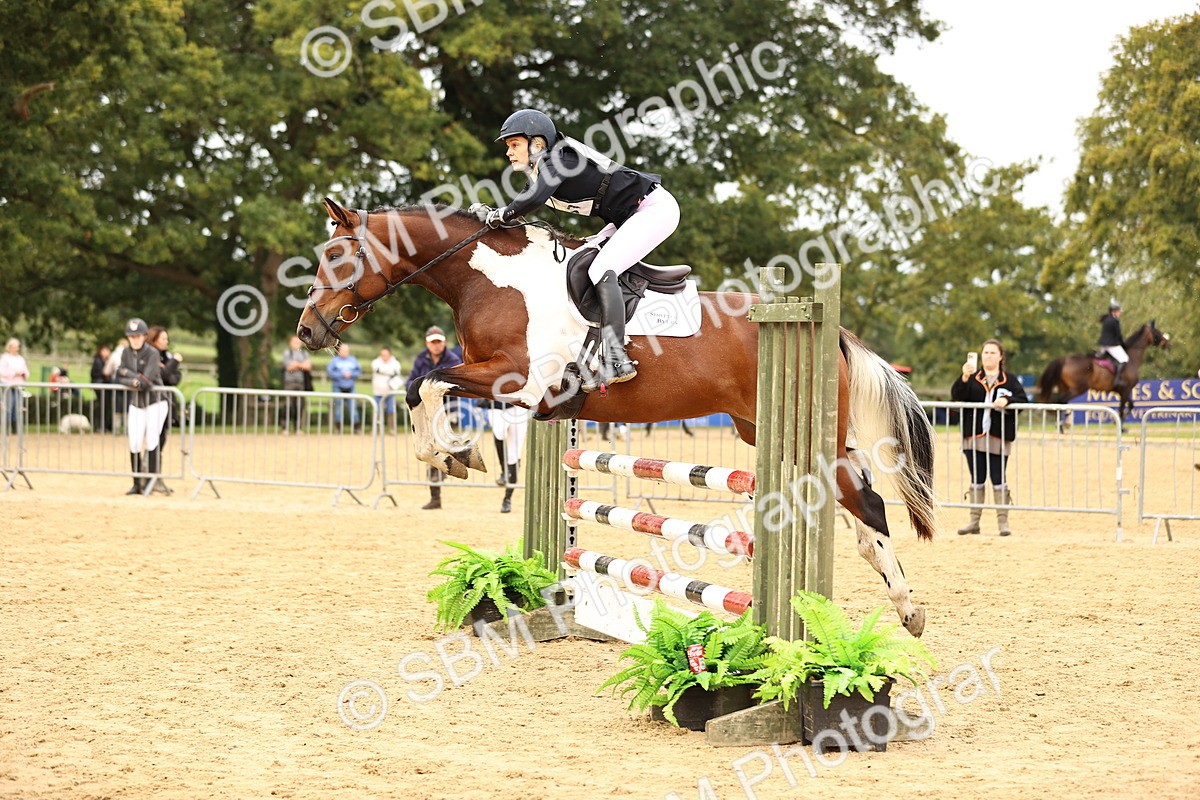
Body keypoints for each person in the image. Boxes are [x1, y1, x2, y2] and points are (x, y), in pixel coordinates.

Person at [486, 109, 680, 389]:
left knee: (601, 268)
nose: (509, 152)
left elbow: (533, 200)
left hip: (654, 209)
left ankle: (617, 358)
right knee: (577, 258)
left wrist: (501, 215)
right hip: (628, 217)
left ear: (538, 144)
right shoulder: (542, 169)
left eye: (514, 144)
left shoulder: (558, 159)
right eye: (508, 146)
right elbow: (523, 202)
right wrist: (494, 215)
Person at [950, 339, 1029, 536]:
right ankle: (974, 521)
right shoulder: (972, 377)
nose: (988, 356)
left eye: (993, 353)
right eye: (985, 352)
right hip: (974, 435)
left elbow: (1022, 399)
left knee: (998, 477)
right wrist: (964, 377)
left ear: (1001, 357)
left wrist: (1007, 400)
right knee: (977, 477)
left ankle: (1003, 522)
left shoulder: (1009, 380)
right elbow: (957, 395)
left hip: (998, 436)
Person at [406, 325, 464, 510]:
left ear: (444, 342)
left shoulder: (453, 360)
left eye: (439, 341)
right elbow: (410, 380)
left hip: (446, 411)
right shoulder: (421, 358)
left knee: (440, 448)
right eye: (433, 342)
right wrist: (418, 389)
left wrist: (430, 387)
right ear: (427, 344)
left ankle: (445, 470)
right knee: (429, 451)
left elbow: (457, 384)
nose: (436, 345)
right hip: (425, 411)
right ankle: (435, 496)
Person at [113, 319, 166, 495]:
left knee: (152, 440)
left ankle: (150, 481)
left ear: (144, 336)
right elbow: (119, 374)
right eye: (131, 337)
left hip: (155, 402)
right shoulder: (126, 352)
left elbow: (147, 381)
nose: (134, 340)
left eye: (137, 336)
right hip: (136, 402)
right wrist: (134, 380)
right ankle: (136, 483)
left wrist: (130, 376)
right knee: (134, 442)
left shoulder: (152, 353)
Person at [147, 326, 183, 494]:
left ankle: (155, 477)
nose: (166, 342)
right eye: (163, 339)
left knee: (161, 440)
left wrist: (169, 368)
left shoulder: (166, 357)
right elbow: (162, 376)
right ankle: (148, 477)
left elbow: (175, 378)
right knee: (153, 441)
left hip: (166, 403)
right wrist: (174, 362)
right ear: (154, 340)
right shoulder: (150, 356)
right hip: (152, 403)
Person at [485, 399, 530, 513]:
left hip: (519, 406)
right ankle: (505, 471)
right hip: (496, 405)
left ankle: (507, 498)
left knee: (514, 454)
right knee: (499, 432)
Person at [326, 343, 363, 432]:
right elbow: (330, 372)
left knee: (353, 408)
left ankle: (356, 428)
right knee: (338, 408)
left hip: (350, 386)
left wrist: (351, 374)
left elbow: (359, 371)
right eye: (342, 351)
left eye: (346, 351)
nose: (344, 352)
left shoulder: (353, 360)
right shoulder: (335, 361)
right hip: (338, 387)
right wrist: (342, 374)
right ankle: (338, 428)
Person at [281, 335, 313, 433]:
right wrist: (301, 365)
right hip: (289, 382)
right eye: (294, 342)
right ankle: (285, 427)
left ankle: (298, 427)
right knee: (288, 405)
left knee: (300, 406)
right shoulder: (287, 353)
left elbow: (308, 366)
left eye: (298, 342)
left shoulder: (304, 353)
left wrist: (296, 365)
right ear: (291, 343)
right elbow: (289, 367)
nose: (296, 344)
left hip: (301, 382)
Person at [371, 346, 404, 434]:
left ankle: (391, 429)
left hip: (390, 392)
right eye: (382, 355)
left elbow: (396, 372)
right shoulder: (375, 362)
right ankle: (376, 429)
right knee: (376, 410)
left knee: (391, 410)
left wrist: (382, 370)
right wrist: (390, 371)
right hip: (378, 391)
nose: (384, 356)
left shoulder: (395, 363)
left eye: (385, 355)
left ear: (390, 354)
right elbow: (377, 370)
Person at [0, 338, 30, 434]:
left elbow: (26, 371)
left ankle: (16, 430)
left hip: (18, 386)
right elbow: (2, 372)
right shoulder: (4, 358)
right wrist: (14, 373)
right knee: (8, 406)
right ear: (9, 348)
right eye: (14, 347)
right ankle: (6, 429)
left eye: (17, 347)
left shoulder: (20, 359)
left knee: (18, 408)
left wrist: (24, 374)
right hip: (7, 385)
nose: (17, 349)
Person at [1097, 300, 1128, 391]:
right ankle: (1117, 380)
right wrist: (1123, 345)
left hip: (1103, 344)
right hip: (1111, 344)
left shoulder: (1106, 319)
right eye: (1118, 311)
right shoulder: (1114, 321)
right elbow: (1118, 335)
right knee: (1124, 359)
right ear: (1114, 311)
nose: (1119, 313)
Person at [90, 344, 115, 433]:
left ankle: (104, 425)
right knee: (102, 406)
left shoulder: (104, 360)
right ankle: (99, 426)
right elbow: (99, 373)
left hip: (103, 385)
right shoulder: (98, 361)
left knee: (105, 406)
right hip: (100, 385)